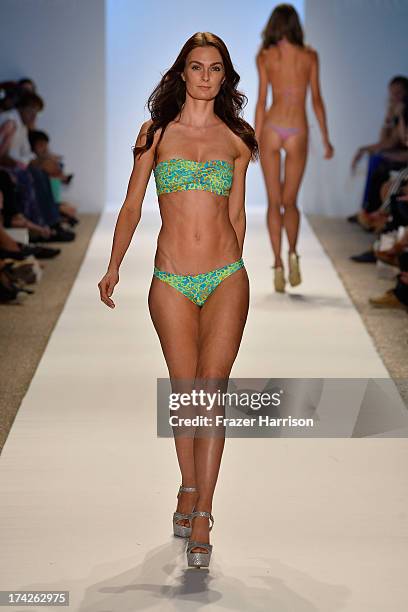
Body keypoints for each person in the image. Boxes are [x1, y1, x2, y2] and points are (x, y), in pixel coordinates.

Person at [98, 32, 257, 569]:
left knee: (212, 392)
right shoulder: (155, 134)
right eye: (196, 67)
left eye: (215, 68)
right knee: (186, 393)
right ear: (182, 73)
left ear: (224, 76)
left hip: (226, 277)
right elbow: (131, 205)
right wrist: (114, 265)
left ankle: (204, 513)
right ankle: (188, 486)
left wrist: (240, 274)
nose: (205, 76)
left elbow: (235, 218)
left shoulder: (238, 140)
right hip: (170, 279)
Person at [255, 3, 334, 292]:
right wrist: (325, 138)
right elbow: (316, 100)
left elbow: (263, 100)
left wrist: (254, 137)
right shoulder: (309, 56)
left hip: (272, 129)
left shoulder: (265, 57)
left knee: (273, 202)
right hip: (297, 129)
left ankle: (277, 264)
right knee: (291, 202)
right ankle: (292, 254)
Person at [350, 75, 408, 220]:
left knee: (378, 162)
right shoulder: (396, 112)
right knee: (376, 158)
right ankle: (368, 210)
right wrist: (389, 120)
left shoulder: (404, 112)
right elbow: (386, 141)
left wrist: (400, 115)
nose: (394, 97)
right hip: (401, 153)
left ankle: (371, 211)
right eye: (392, 93)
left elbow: (403, 139)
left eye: (398, 93)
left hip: (405, 156)